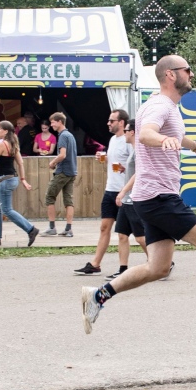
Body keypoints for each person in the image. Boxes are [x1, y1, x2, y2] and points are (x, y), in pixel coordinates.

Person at [81, 54, 196, 334]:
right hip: (158, 196)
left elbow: (174, 134)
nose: (191, 74)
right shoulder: (160, 106)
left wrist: (195, 145)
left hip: (149, 196)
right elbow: (147, 134)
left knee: (159, 268)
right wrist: (163, 140)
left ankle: (98, 296)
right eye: (187, 70)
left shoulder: (170, 107)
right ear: (171, 75)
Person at [73, 109, 131, 275]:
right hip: (110, 189)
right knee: (105, 228)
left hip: (124, 192)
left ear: (121, 123)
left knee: (129, 233)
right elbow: (113, 161)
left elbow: (135, 166)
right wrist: (104, 158)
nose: (108, 123)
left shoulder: (129, 141)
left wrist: (124, 168)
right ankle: (95, 264)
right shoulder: (113, 139)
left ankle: (160, 263)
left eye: (111, 121)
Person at [109, 119, 149, 280]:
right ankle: (123, 268)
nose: (124, 133)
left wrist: (123, 191)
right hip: (126, 199)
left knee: (140, 237)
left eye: (126, 130)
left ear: (132, 132)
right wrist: (123, 169)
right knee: (122, 235)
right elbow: (133, 171)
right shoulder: (133, 150)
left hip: (133, 198)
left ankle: (162, 262)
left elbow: (139, 173)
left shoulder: (139, 149)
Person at [41, 112, 77, 237]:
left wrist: (53, 162)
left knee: (49, 197)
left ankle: (52, 227)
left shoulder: (62, 136)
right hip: (72, 172)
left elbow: (62, 155)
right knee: (68, 201)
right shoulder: (70, 135)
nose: (51, 125)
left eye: (53, 122)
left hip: (62, 172)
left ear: (60, 122)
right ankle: (68, 229)